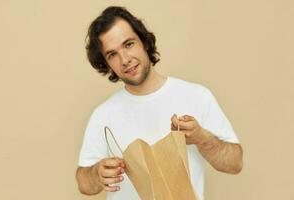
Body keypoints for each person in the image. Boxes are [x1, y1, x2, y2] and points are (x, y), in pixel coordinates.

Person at [75, 6, 243, 200]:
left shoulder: (196, 96)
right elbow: (83, 183)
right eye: (112, 54)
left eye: (129, 44)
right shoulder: (103, 114)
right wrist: (96, 174)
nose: (125, 59)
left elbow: (235, 163)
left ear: (144, 42)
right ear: (107, 64)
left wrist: (200, 138)